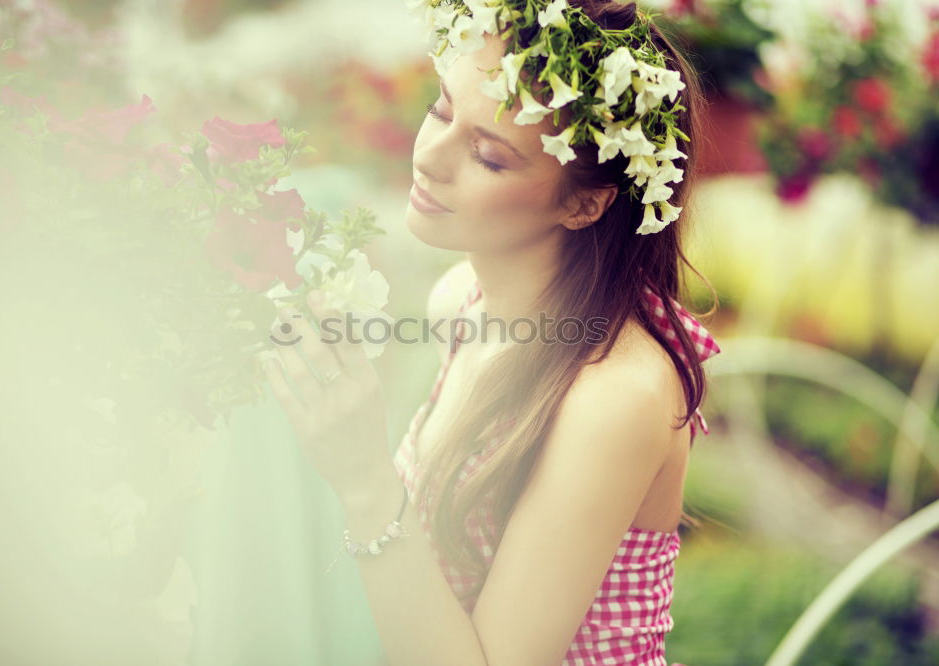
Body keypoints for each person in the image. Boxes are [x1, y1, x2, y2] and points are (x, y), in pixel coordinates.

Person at [263, 1, 721, 664]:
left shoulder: (614, 396)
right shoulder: (462, 300)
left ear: (585, 202)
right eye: (442, 110)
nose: (432, 158)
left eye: (489, 157)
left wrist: (365, 480)